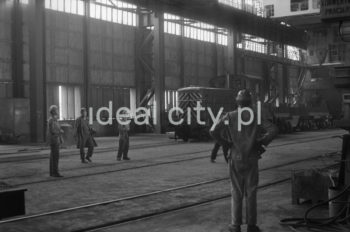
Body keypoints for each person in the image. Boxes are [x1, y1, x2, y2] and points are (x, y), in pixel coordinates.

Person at [211, 89, 278, 232]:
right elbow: (273, 130)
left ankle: (235, 226)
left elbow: (213, 131)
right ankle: (252, 226)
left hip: (235, 157)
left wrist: (226, 143)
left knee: (236, 191)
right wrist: (261, 143)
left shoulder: (230, 116)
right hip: (252, 157)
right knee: (251, 191)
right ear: (250, 102)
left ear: (237, 102)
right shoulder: (256, 115)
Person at [47, 105, 64, 177]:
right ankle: (55, 172)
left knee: (53, 156)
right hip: (54, 140)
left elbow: (56, 129)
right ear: (53, 111)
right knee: (55, 156)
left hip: (56, 139)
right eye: (56, 110)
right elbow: (53, 131)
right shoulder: (51, 120)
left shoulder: (55, 119)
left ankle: (52, 172)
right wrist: (60, 132)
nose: (58, 111)